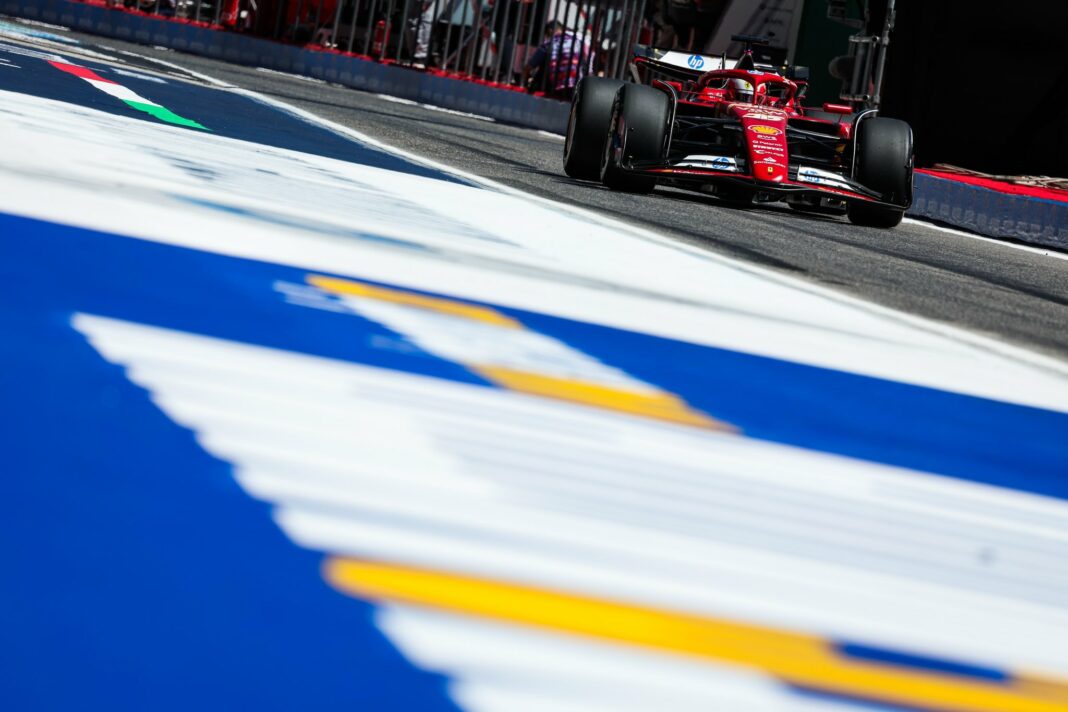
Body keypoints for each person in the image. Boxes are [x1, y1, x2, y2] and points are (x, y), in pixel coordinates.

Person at [523, 20, 592, 100]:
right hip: (577, 86)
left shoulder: (548, 43)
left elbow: (530, 66)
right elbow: (588, 60)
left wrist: (524, 81)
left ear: (550, 30)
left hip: (556, 87)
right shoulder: (577, 41)